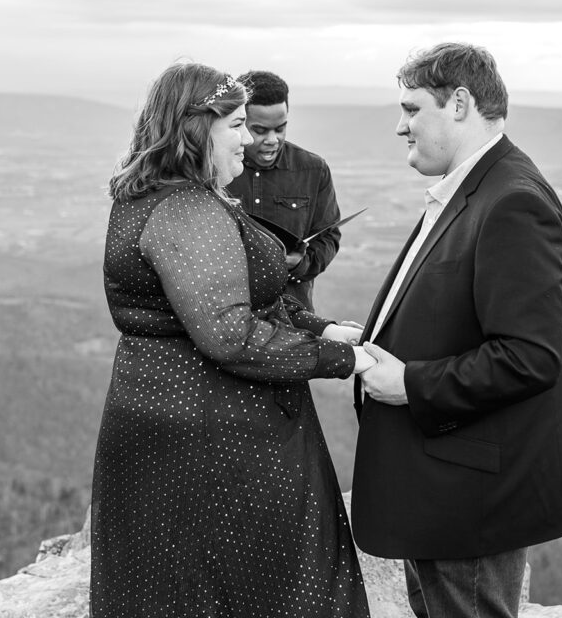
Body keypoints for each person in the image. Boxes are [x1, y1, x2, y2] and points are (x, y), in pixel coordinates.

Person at [351, 42, 562, 618]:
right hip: (444, 486)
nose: (400, 127)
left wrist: (410, 382)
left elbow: (529, 356)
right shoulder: (477, 188)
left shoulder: (511, 201)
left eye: (411, 110)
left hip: (471, 494)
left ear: (459, 104)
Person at [90, 62, 374, 618]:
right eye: (239, 125)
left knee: (175, 586)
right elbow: (230, 335)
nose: (250, 140)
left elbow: (245, 297)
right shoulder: (187, 209)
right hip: (212, 438)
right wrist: (344, 358)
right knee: (239, 590)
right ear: (199, 129)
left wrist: (321, 326)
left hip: (176, 417)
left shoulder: (161, 196)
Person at [226, 70, 341, 310]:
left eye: (280, 128)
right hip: (229, 315)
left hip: (293, 317)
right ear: (240, 122)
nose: (272, 139)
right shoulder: (216, 170)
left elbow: (328, 237)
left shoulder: (313, 169)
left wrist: (300, 264)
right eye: (260, 130)